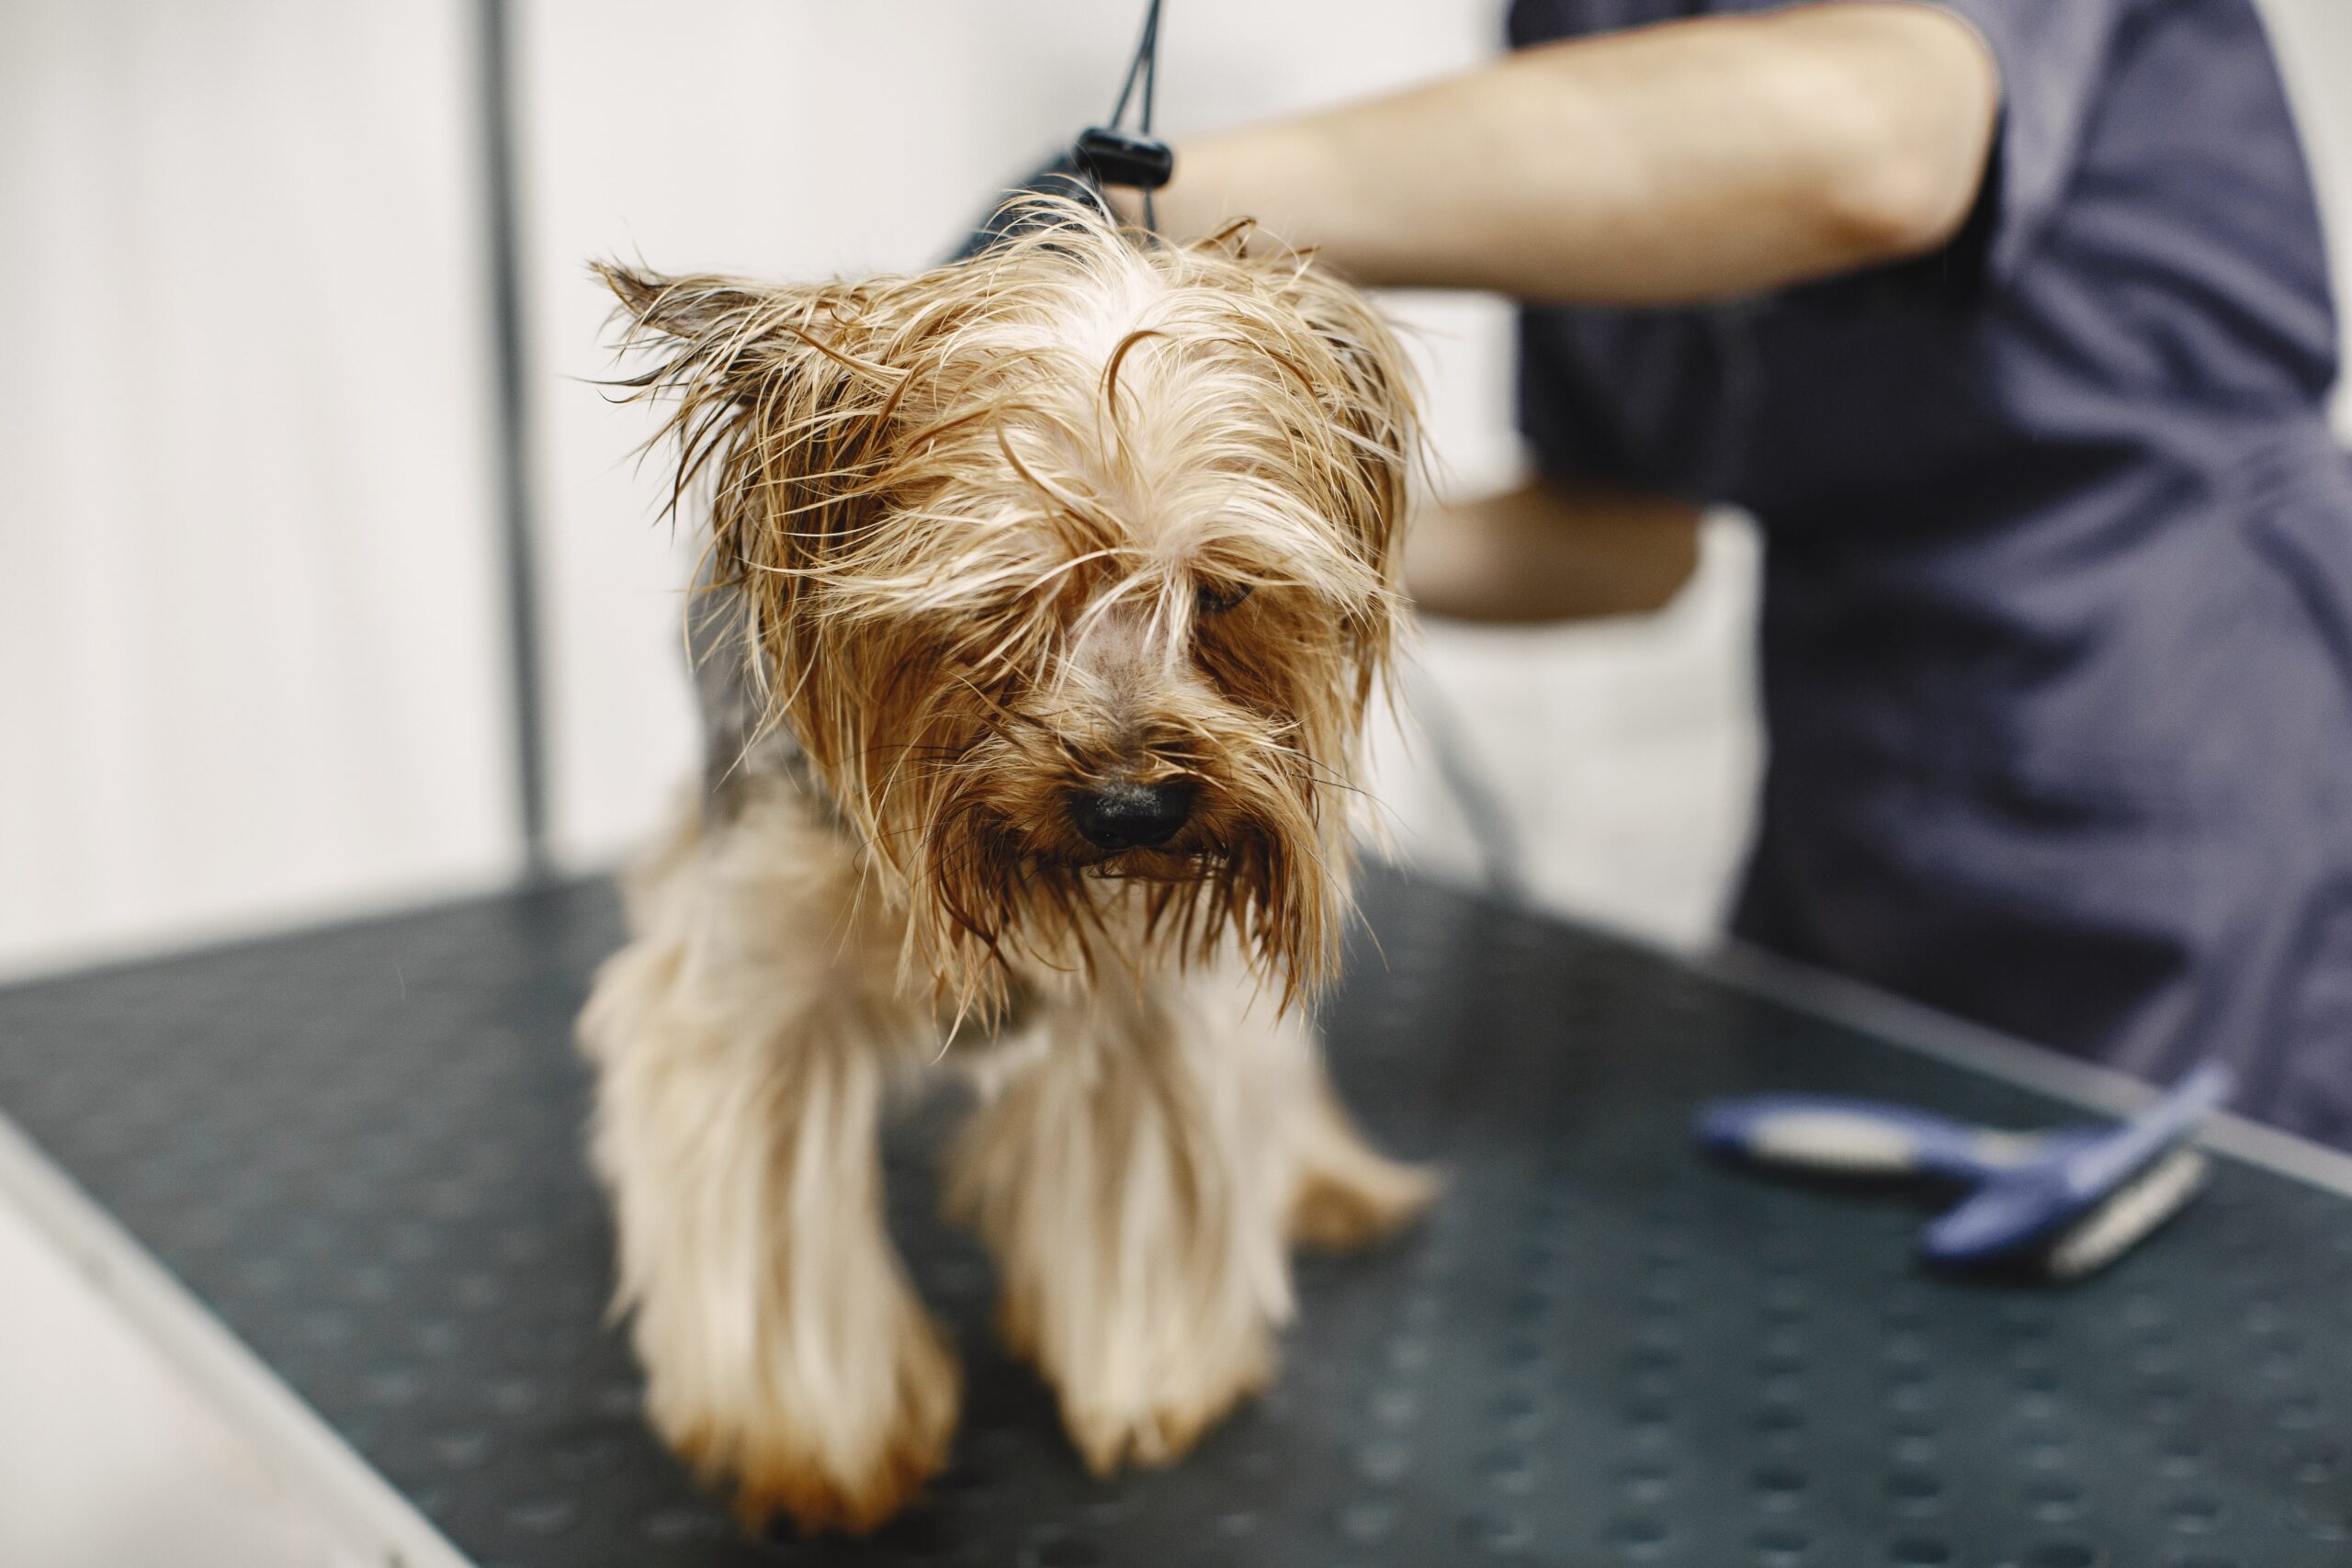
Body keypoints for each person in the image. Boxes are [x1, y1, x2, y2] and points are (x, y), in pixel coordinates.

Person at [1104, 0, 2352, 1148]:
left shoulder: (1838, 107)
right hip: (1848, 780)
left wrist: (1154, 197)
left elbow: (1885, 140)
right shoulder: (1589, 19)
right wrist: (1231, 551)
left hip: (2186, 728)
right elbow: (1625, 541)